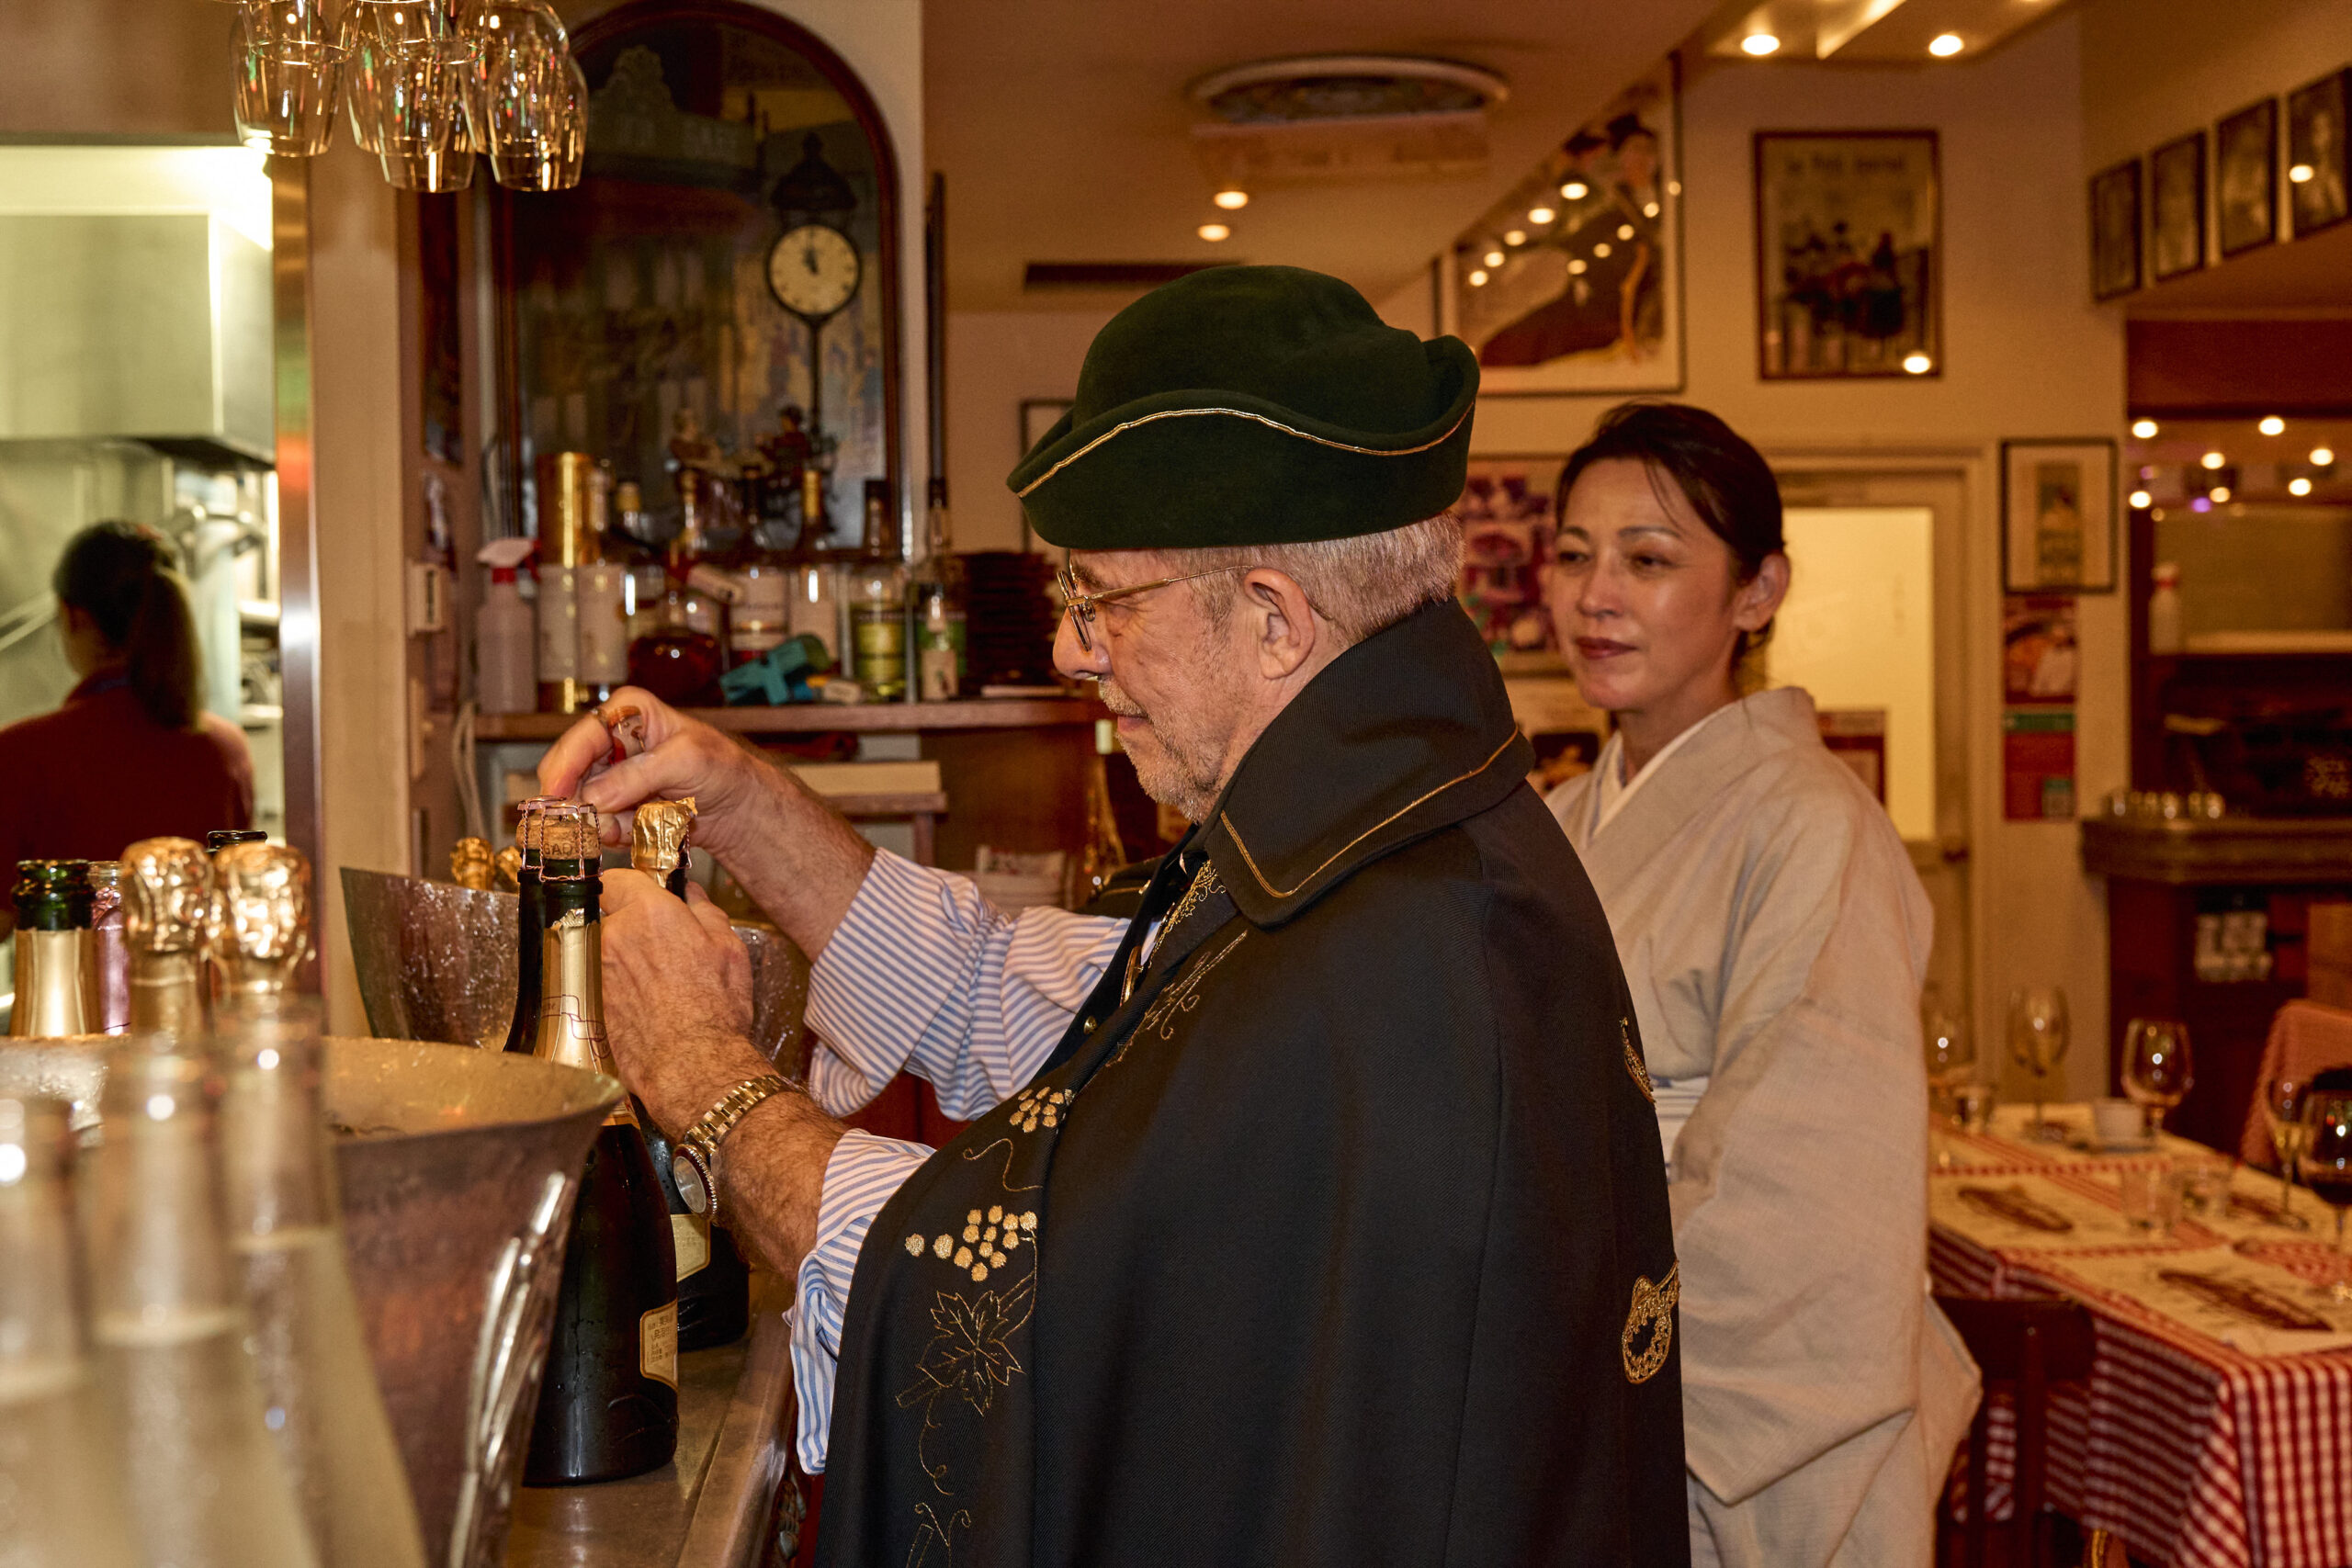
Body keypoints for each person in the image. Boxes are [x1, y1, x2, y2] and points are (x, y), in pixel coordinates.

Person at [540, 265, 1689, 1566]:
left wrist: (699, 1070)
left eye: (1102, 602)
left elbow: (1023, 1311)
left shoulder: (1390, 952)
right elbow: (1029, 1000)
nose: (1071, 650)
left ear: (1273, 619)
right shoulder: (1369, 820)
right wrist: (742, 801)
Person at [1541, 401, 1977, 1568]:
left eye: (1647, 560)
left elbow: (1797, 1174)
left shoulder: (1811, 825)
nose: (1594, 596)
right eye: (1574, 556)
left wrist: (1592, 1340)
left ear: (1758, 591)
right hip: (1578, 1330)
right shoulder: (1559, 821)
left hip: (1710, 1393)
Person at [0, 521, 254, 932]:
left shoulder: (21, 754)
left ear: (72, 616)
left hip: (71, 977)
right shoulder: (226, 750)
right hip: (196, 976)